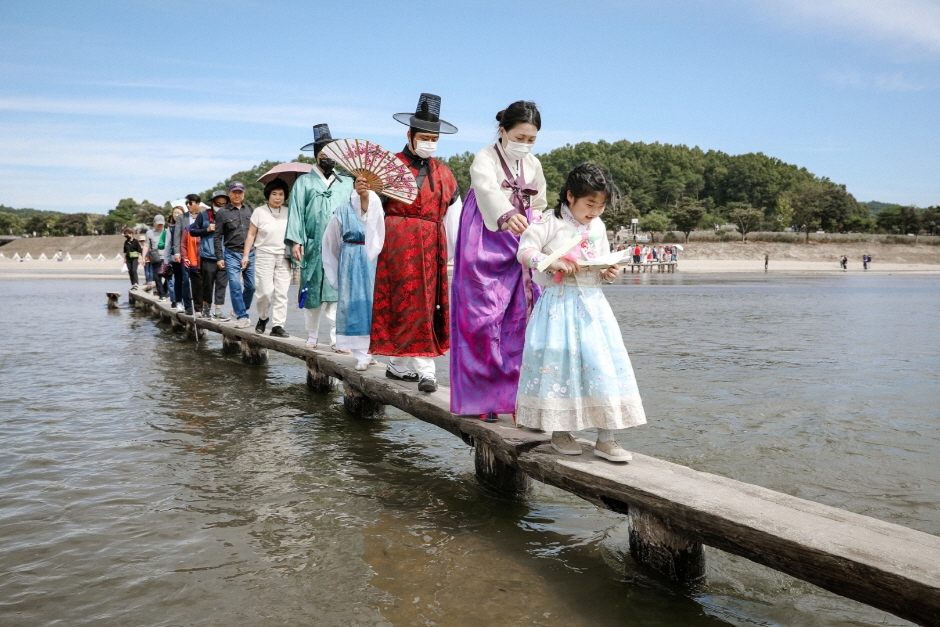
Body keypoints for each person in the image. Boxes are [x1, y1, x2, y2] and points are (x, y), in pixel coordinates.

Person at [515, 162, 647, 462]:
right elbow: (524, 252)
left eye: (601, 205)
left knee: (601, 365)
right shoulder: (548, 222)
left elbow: (600, 261)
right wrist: (552, 262)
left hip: (592, 304)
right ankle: (560, 432)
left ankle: (606, 437)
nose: (595, 211)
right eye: (590, 204)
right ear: (570, 196)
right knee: (559, 365)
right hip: (558, 305)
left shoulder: (597, 226)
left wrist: (609, 271)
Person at [451, 101, 547, 421]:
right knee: (484, 318)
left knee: (520, 317)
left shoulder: (533, 164)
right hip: (486, 235)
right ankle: (483, 398)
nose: (525, 144)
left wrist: (539, 227)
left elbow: (540, 203)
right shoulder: (485, 157)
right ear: (503, 131)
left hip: (520, 240)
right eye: (520, 137)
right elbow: (486, 189)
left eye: (531, 139)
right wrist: (506, 214)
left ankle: (517, 397)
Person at [370, 93, 462, 393]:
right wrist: (363, 194)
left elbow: (455, 218)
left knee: (425, 304)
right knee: (405, 305)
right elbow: (372, 209)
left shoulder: (445, 174)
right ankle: (420, 368)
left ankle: (404, 366)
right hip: (398, 245)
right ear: (409, 135)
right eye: (424, 137)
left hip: (432, 247)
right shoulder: (389, 167)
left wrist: (457, 254)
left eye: (434, 138)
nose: (429, 143)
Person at [285, 123, 357, 350]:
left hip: (340, 245)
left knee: (337, 293)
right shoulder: (304, 182)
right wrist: (296, 241)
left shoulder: (347, 183)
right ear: (316, 156)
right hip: (312, 244)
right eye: (324, 154)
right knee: (312, 291)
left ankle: (338, 338)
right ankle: (313, 334)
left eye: (332, 153)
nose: (328, 158)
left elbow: (355, 211)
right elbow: (295, 212)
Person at [321, 178, 383, 369]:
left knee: (373, 305)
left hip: (374, 262)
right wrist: (335, 271)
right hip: (351, 261)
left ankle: (372, 350)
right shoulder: (342, 211)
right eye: (359, 182)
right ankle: (361, 355)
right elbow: (330, 243)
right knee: (354, 304)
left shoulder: (379, 210)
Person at [243, 179, 292, 338]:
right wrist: (245, 255)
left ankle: (278, 325)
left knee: (282, 293)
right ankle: (263, 318)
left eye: (281, 194)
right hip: (264, 253)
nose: (278, 197)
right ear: (268, 195)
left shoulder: (289, 211)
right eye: (274, 194)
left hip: (284, 255)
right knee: (264, 292)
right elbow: (251, 234)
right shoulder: (259, 211)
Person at [214, 181, 255, 328]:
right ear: (229, 193)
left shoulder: (250, 209)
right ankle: (242, 316)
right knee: (235, 285)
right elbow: (217, 236)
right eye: (234, 192)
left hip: (250, 253)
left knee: (251, 287)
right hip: (231, 254)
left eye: (240, 192)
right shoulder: (222, 212)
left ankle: (238, 309)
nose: (237, 195)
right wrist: (219, 257)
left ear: (243, 194)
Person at [190, 191, 230, 320]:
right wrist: (206, 230)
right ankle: (206, 309)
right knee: (207, 284)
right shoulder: (204, 215)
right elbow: (193, 231)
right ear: (212, 203)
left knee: (222, 284)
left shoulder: (230, 214)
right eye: (218, 203)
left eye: (224, 204)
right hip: (208, 256)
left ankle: (218, 310)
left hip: (225, 255)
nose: (221, 206)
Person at [141, 214, 169, 300]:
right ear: (154, 223)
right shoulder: (149, 233)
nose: (160, 225)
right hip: (155, 257)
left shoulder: (168, 231)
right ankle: (162, 295)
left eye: (161, 224)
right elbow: (146, 246)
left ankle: (164, 290)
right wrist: (143, 258)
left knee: (168, 277)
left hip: (166, 257)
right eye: (158, 223)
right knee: (157, 277)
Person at [180, 215, 202, 314]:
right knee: (193, 285)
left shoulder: (210, 228)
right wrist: (185, 257)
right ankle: (194, 308)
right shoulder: (188, 229)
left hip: (207, 261)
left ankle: (205, 308)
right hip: (193, 262)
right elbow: (183, 244)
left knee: (206, 286)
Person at [166, 205, 185, 309]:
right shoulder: (170, 228)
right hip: (175, 257)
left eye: (179, 213)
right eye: (174, 213)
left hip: (187, 256)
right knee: (178, 279)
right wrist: (166, 260)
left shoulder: (188, 226)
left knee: (187, 280)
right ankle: (178, 301)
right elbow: (168, 245)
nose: (176, 215)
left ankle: (188, 302)